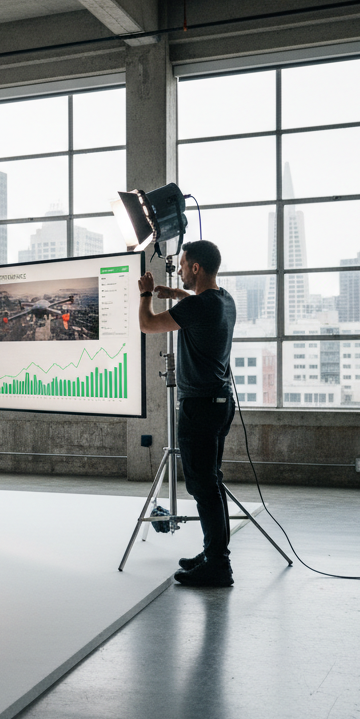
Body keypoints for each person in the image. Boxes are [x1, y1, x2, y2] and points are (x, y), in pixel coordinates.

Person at [138, 239, 237, 587]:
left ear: (195, 267)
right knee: (212, 483)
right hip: (221, 404)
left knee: (203, 487)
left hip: (198, 407)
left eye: (181, 265)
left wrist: (147, 294)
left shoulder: (200, 307)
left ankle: (218, 566)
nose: (178, 270)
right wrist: (177, 294)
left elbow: (148, 325)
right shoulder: (224, 300)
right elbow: (198, 304)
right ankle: (214, 554)